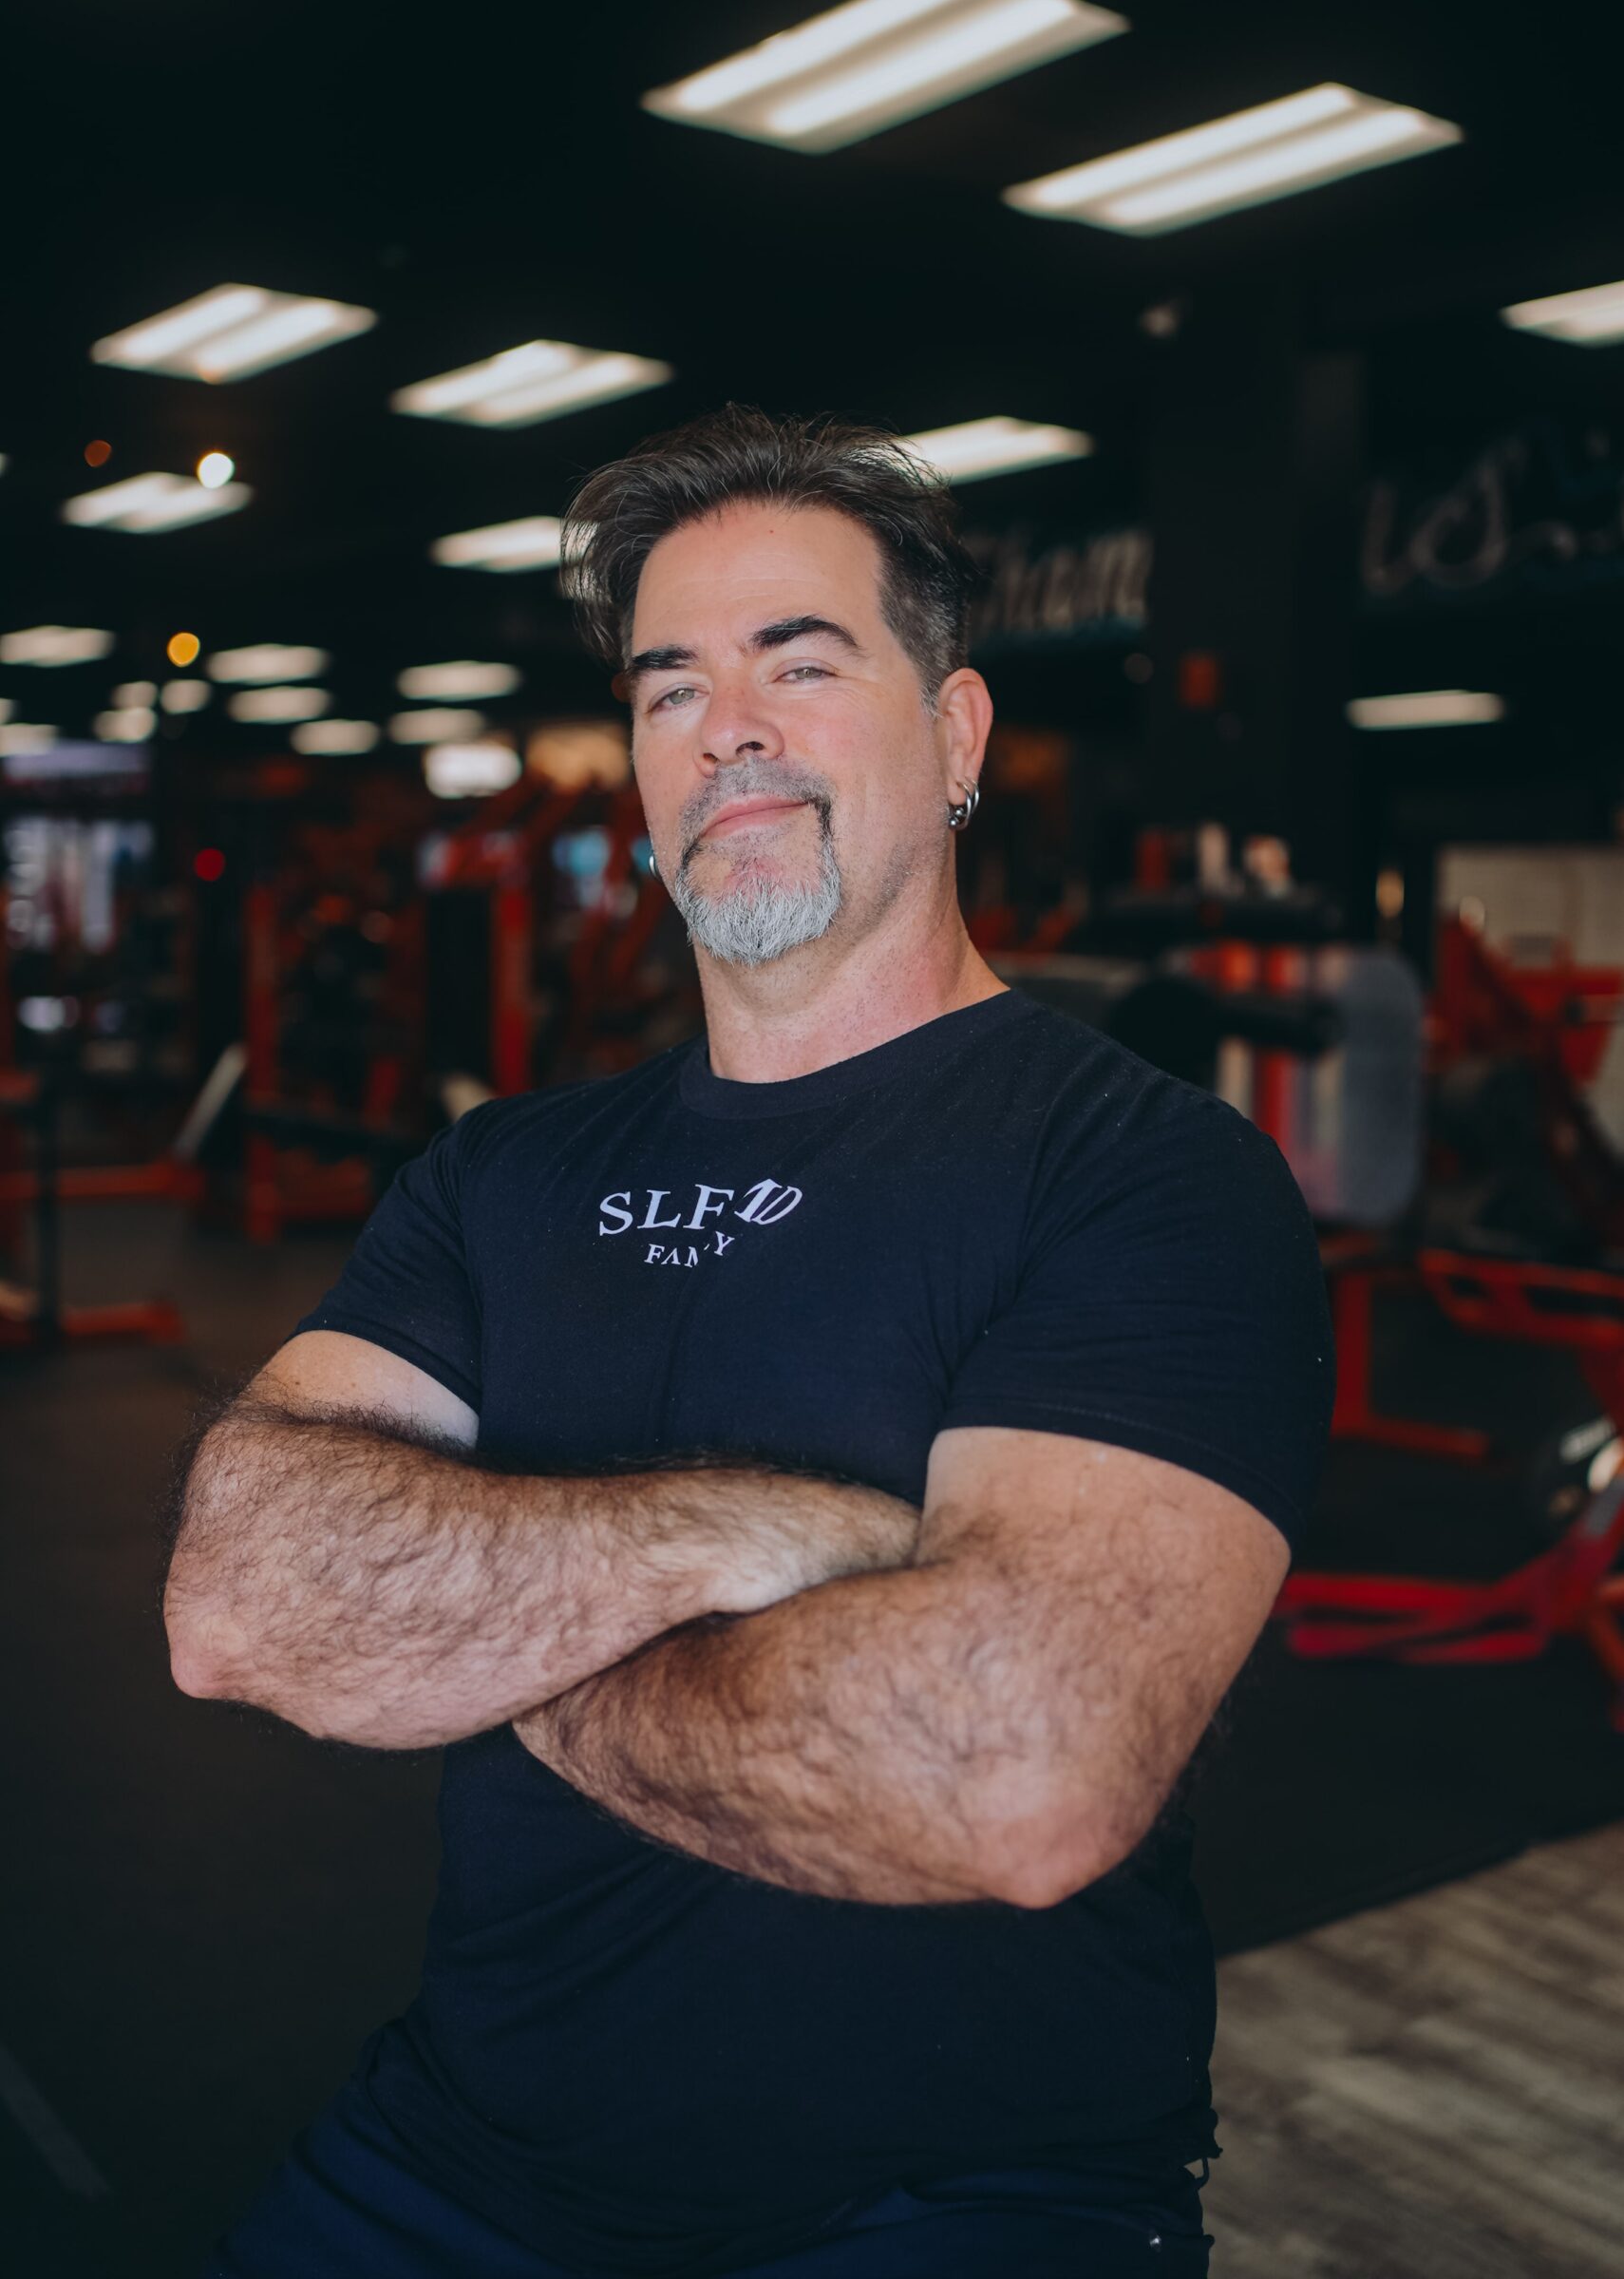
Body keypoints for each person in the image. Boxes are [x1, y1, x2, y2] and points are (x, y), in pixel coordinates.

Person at [163, 406, 1335, 2279]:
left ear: (954, 738)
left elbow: (1017, 1769)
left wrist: (479, 1641)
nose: (731, 728)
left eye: (803, 661)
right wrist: (740, 1539)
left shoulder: (1148, 1173)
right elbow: (237, 1591)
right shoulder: (504, 1172)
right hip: (452, 2152)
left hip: (962, 2193)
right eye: (671, 685)